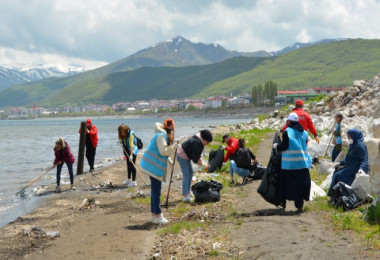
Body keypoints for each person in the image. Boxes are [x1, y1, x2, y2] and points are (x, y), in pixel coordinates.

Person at [140, 118, 176, 224]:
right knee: (156, 191)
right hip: (153, 167)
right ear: (169, 128)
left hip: (152, 167)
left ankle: (153, 215)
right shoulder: (161, 136)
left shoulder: (161, 135)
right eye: (173, 128)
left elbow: (160, 151)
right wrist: (173, 147)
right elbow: (163, 151)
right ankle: (158, 215)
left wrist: (169, 160)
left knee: (154, 191)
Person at [273, 112, 312, 212]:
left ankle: (282, 202)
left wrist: (276, 146)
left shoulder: (287, 132)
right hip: (302, 164)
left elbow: (284, 146)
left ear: (289, 121)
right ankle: (299, 206)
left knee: (285, 184)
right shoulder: (305, 133)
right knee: (299, 186)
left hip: (289, 165)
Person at [328, 128, 369, 197]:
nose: (348, 139)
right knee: (336, 171)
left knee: (338, 175)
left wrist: (362, 168)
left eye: (349, 137)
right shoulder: (352, 145)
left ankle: (336, 195)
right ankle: (334, 194)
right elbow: (347, 157)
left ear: (354, 136)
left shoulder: (360, 145)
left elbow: (364, 159)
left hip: (356, 168)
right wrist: (340, 163)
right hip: (349, 166)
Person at [177, 129, 213, 202]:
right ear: (204, 139)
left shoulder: (200, 140)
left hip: (187, 155)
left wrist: (201, 161)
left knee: (191, 173)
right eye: (208, 142)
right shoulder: (197, 142)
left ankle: (188, 192)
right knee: (186, 175)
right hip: (182, 155)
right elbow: (195, 159)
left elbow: (197, 154)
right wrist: (202, 164)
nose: (208, 143)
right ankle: (185, 196)